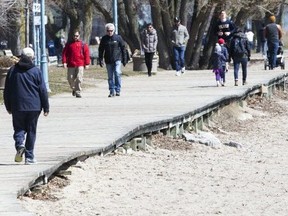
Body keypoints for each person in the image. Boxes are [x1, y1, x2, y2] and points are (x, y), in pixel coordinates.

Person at [3, 47, 49, 165]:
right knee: (31, 130)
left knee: (19, 128)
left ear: (21, 57)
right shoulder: (36, 71)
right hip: (34, 106)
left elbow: (7, 90)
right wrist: (46, 107)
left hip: (17, 105)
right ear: (32, 57)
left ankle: (20, 144)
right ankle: (29, 157)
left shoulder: (13, 70)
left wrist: (8, 106)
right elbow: (42, 90)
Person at [98, 23, 127, 97]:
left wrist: (124, 59)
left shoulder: (118, 38)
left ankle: (118, 90)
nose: (110, 32)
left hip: (117, 59)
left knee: (117, 73)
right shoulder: (104, 39)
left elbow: (123, 48)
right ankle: (111, 91)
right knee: (110, 77)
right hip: (108, 60)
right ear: (106, 31)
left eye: (111, 31)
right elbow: (101, 49)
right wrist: (100, 59)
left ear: (114, 30)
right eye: (108, 31)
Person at [62, 30, 90, 98]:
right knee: (70, 78)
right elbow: (64, 54)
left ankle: (78, 92)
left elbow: (86, 54)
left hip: (80, 64)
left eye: (77, 36)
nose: (75, 37)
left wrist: (87, 63)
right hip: (71, 64)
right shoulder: (69, 44)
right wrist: (64, 62)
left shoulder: (83, 44)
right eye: (74, 36)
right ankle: (74, 88)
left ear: (79, 36)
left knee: (79, 78)